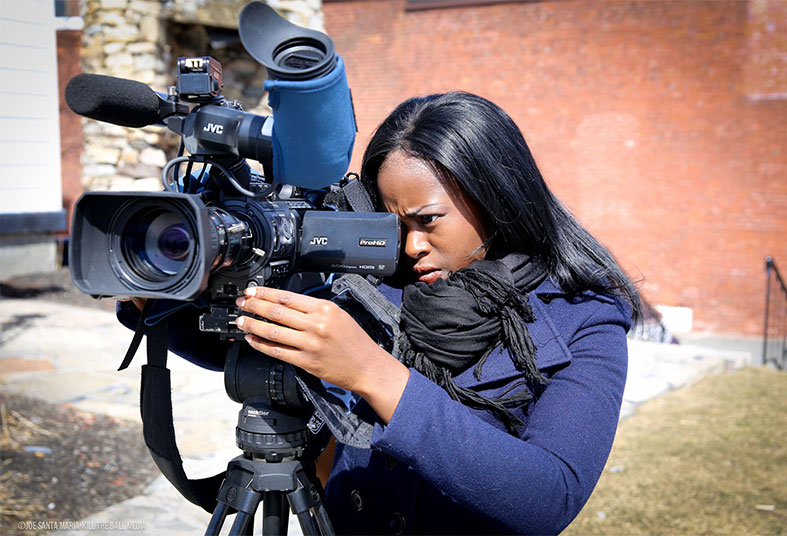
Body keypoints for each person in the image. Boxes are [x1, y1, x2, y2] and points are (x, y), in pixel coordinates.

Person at [121, 91, 640, 534]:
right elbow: (268, 352)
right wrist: (155, 294)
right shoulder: (378, 278)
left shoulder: (584, 315)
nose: (410, 245)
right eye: (392, 223)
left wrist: (373, 373)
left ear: (497, 195)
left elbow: (549, 496)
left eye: (428, 219)